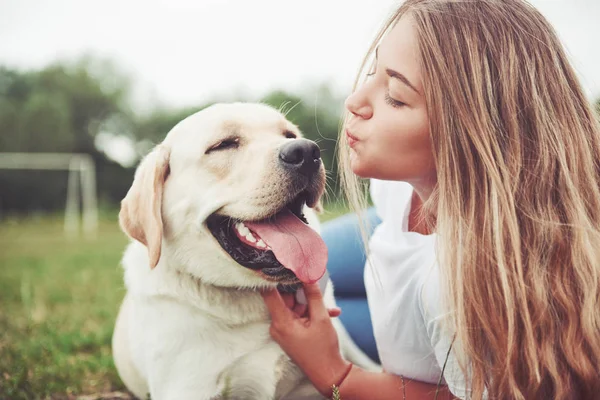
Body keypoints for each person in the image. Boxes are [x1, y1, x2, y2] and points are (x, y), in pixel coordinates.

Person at [261, 0, 600, 399]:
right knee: (312, 271)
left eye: (396, 98)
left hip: (438, 301)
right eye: (373, 73)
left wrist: (336, 372)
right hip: (392, 230)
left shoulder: (450, 288)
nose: (354, 102)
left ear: (471, 135)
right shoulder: (399, 185)